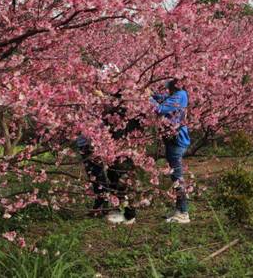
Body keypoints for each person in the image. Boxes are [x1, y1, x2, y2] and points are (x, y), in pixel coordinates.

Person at [77, 91, 143, 225]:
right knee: (115, 177)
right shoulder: (118, 107)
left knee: (122, 178)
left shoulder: (127, 108)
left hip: (123, 147)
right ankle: (120, 210)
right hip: (116, 147)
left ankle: (128, 214)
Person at [151, 78, 191, 224]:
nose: (167, 89)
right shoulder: (178, 94)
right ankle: (179, 209)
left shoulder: (180, 95)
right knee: (175, 176)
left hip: (177, 140)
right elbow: (163, 99)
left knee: (177, 177)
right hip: (173, 140)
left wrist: (146, 98)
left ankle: (183, 212)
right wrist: (151, 94)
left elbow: (160, 109)